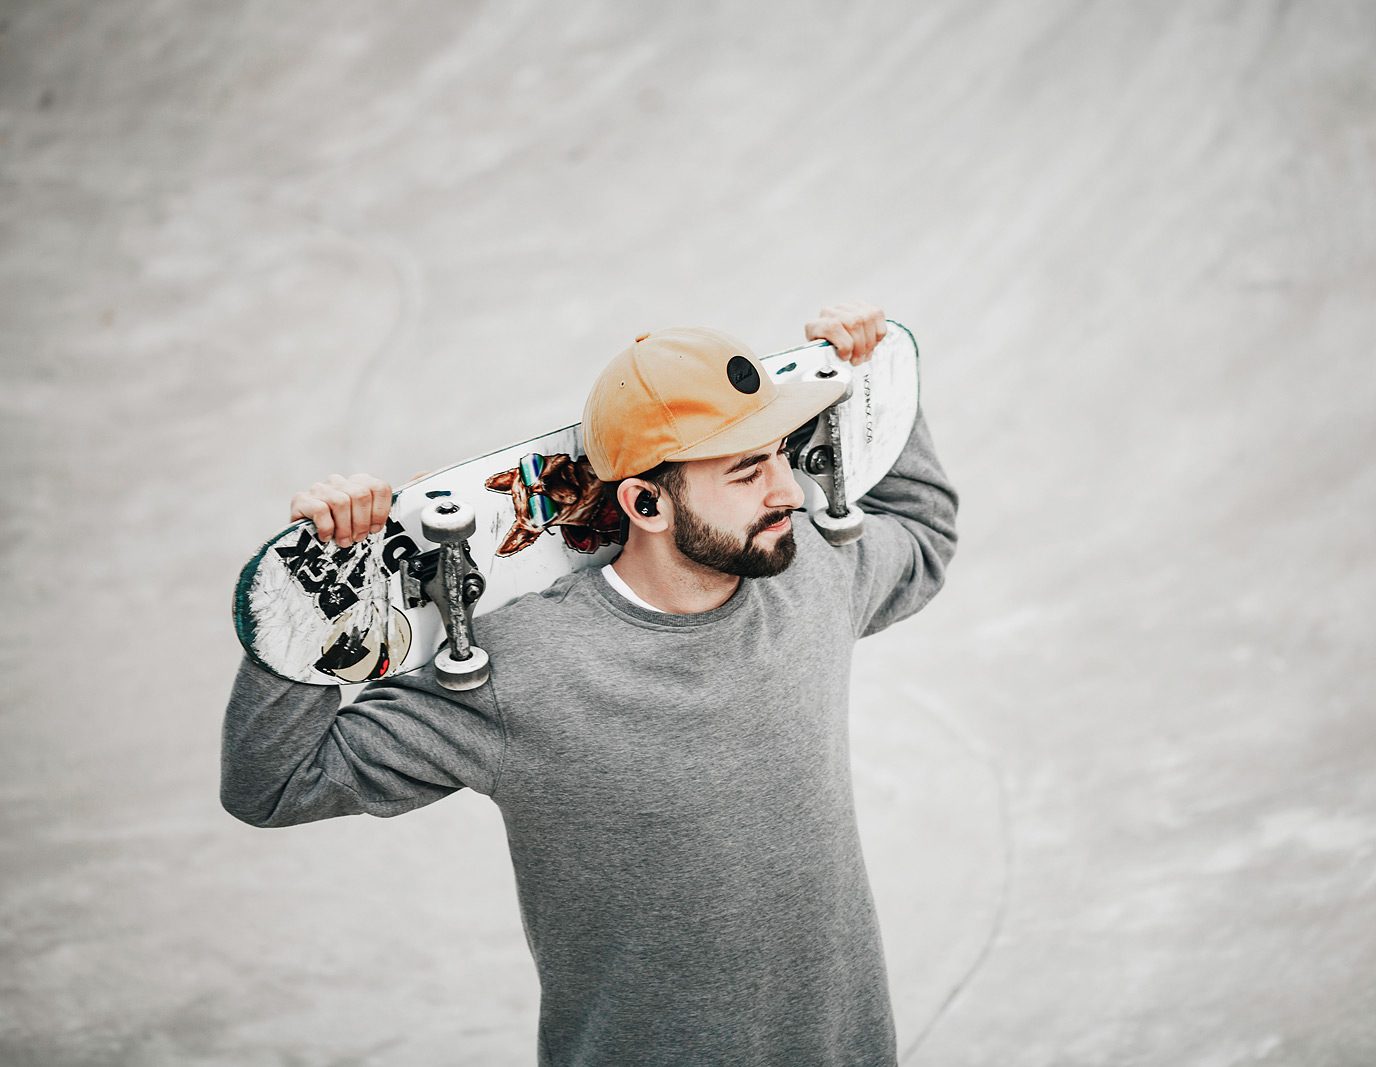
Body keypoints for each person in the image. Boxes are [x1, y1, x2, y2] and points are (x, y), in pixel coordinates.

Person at [220, 300, 958, 1066]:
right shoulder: (519, 669)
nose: (791, 492)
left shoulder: (813, 572)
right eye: (747, 472)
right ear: (646, 503)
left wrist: (874, 374)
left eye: (779, 455)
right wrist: (314, 601)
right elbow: (273, 783)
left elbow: (924, 537)